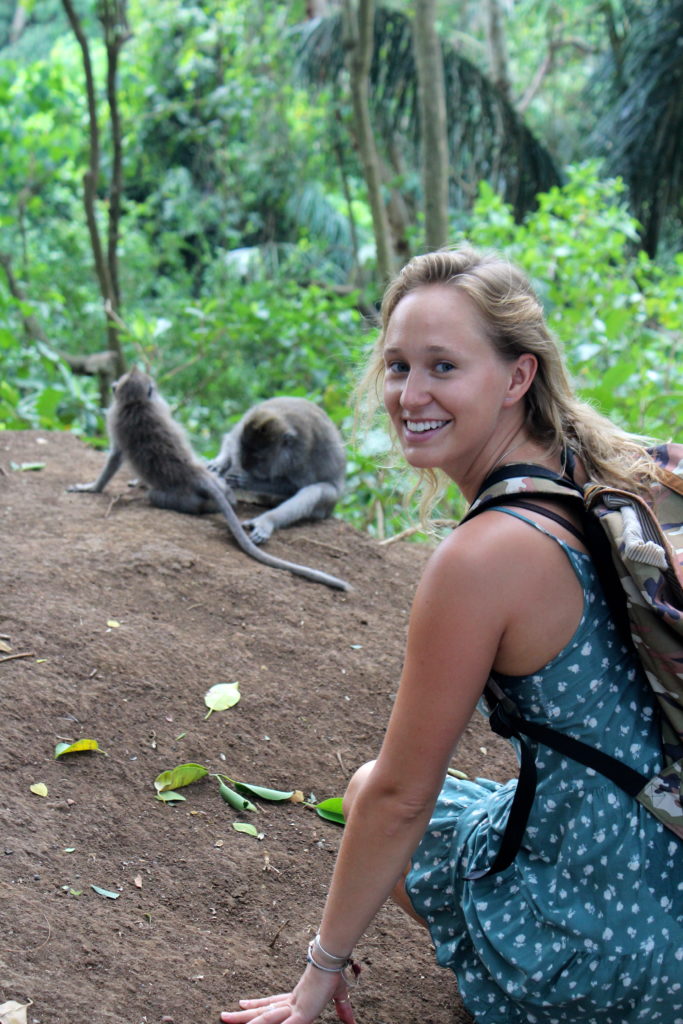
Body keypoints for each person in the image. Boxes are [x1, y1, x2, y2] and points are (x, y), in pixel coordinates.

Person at [220, 246, 683, 1024]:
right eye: (399, 366)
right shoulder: (606, 471)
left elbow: (404, 796)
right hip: (665, 878)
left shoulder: (481, 557)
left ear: (516, 378)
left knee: (376, 789)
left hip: (615, 954)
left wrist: (318, 975)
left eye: (443, 366)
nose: (411, 394)